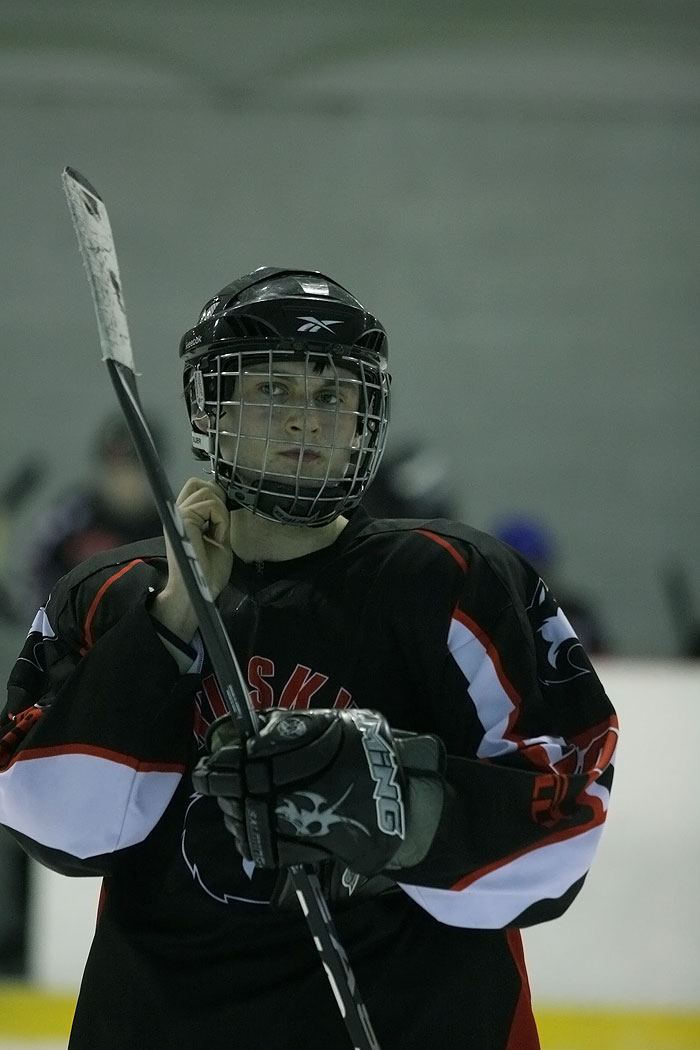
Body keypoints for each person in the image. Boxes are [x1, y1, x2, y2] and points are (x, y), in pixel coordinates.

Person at [0, 268, 618, 1050]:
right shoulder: (113, 595)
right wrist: (172, 617)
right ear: (211, 410)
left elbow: (562, 837)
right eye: (271, 389)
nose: (306, 418)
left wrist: (398, 811)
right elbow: (61, 828)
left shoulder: (457, 585)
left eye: (332, 394)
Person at [26, 411, 165, 608]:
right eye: (113, 467)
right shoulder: (72, 516)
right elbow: (41, 573)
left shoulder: (170, 527)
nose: (121, 478)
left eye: (131, 467)